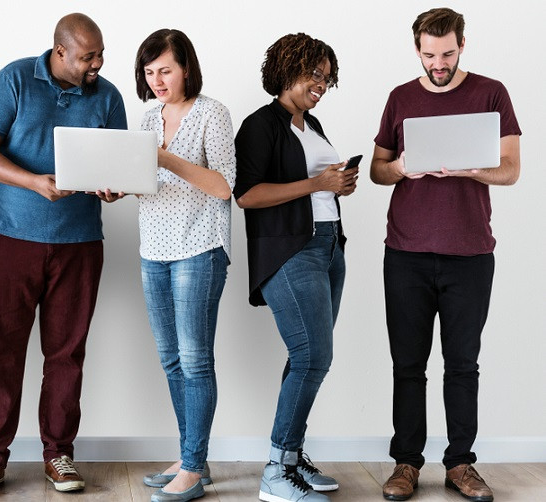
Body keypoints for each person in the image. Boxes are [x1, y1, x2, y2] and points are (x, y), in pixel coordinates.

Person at [0, 12, 127, 498]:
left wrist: (113, 188)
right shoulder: (14, 79)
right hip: (10, 237)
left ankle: (59, 454)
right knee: (3, 350)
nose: (98, 63)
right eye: (88, 57)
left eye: (100, 54)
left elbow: (116, 163)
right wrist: (34, 182)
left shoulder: (109, 96)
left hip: (79, 243)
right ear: (60, 52)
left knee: (66, 353)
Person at [370, 8, 520, 502]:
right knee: (408, 364)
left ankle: (460, 464)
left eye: (449, 53)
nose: (440, 63)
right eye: (430, 54)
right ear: (417, 49)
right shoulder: (401, 97)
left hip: (470, 252)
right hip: (406, 252)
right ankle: (406, 464)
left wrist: (466, 167)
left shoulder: (491, 92)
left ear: (462, 46)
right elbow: (378, 170)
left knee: (463, 364)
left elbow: (511, 170)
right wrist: (405, 167)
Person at [233, 33, 357, 502]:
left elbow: (317, 186)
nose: (321, 83)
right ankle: (275, 471)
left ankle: (291, 457)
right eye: (313, 73)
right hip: (289, 251)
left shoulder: (313, 124)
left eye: (326, 77)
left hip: (328, 247)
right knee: (312, 356)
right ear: (287, 69)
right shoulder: (260, 125)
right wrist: (315, 183)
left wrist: (336, 185)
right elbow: (246, 194)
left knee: (307, 358)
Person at [132, 29, 234, 502]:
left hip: (199, 246)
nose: (157, 80)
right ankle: (192, 456)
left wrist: (166, 159)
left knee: (195, 361)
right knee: (171, 359)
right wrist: (120, 183)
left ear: (186, 67)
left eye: (165, 70)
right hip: (153, 247)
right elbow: (147, 182)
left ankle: (193, 467)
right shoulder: (147, 117)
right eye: (150, 72)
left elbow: (223, 186)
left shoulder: (212, 112)